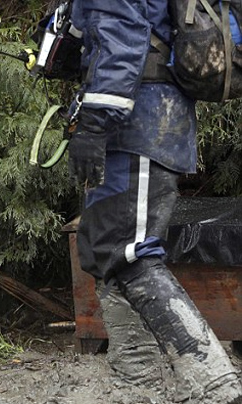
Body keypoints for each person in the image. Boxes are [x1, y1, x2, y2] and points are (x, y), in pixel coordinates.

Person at [66, 0, 242, 402]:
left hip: (140, 124)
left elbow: (124, 40)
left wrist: (94, 123)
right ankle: (138, 387)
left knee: (131, 256)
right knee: (104, 250)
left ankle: (219, 389)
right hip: (139, 121)